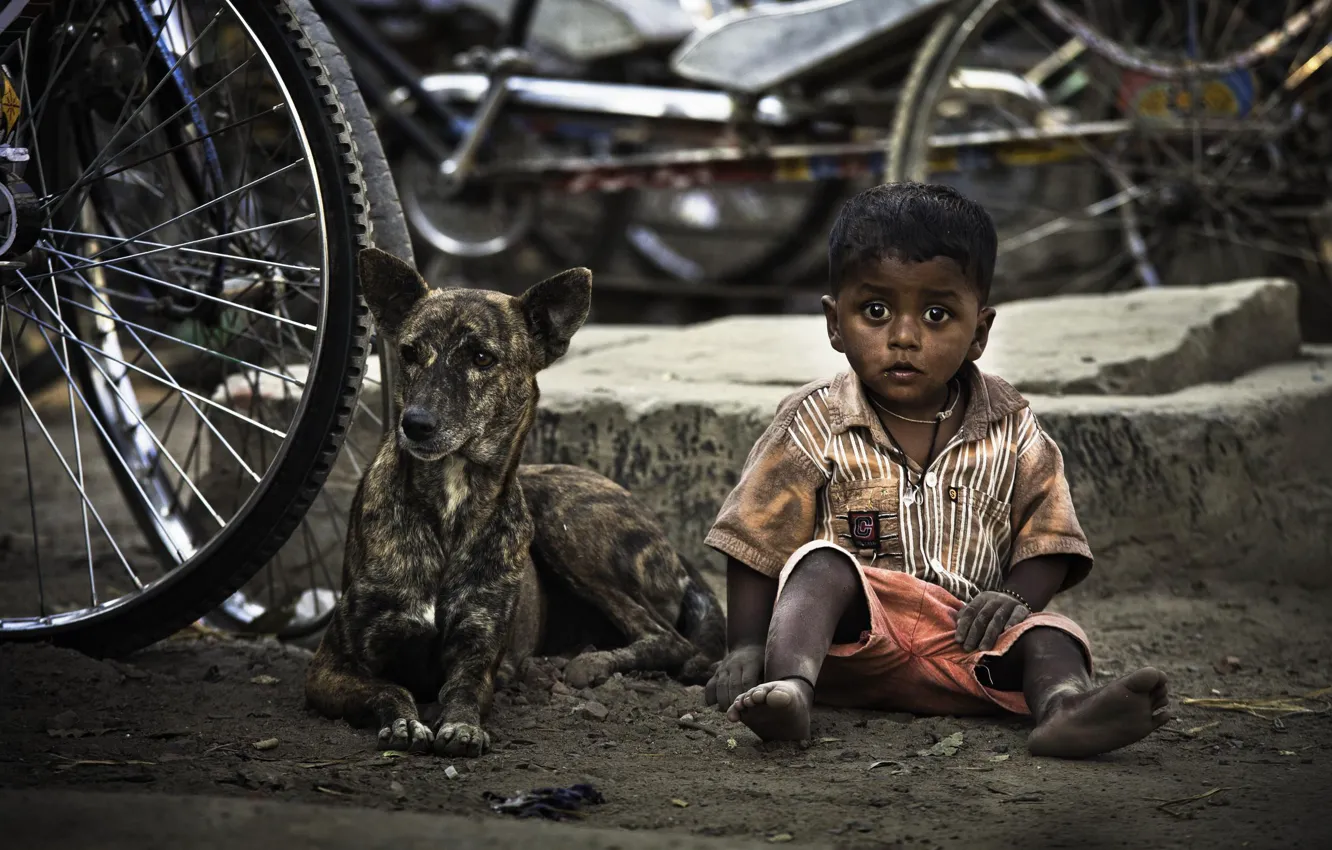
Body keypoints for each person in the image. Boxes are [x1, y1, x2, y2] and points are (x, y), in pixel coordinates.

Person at [701, 182, 1171, 758]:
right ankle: (790, 691)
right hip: (844, 653)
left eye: (936, 313)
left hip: (969, 648)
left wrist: (1014, 600)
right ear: (833, 322)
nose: (903, 336)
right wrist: (746, 645)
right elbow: (756, 536)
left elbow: (1050, 536)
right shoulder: (814, 420)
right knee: (820, 565)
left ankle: (1065, 708)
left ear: (979, 332)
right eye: (875, 311)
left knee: (1054, 635)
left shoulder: (1014, 427)